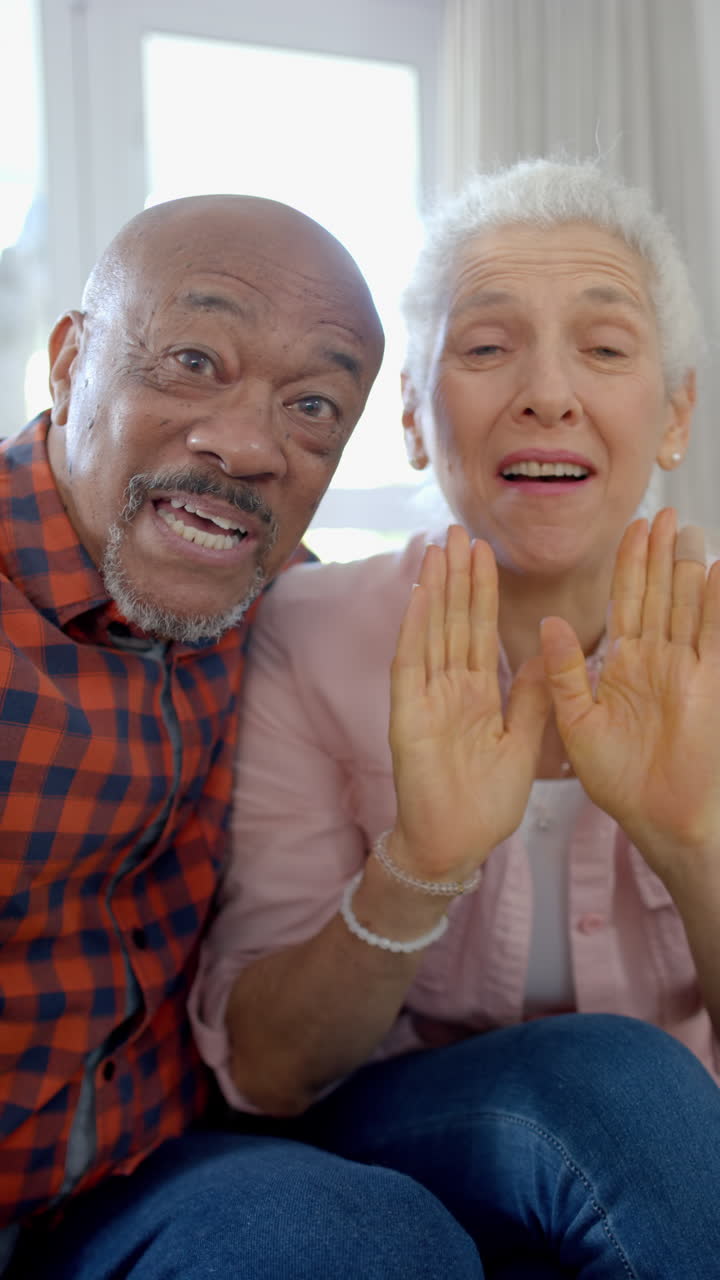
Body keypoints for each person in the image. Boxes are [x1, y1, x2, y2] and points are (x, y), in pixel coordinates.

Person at [192, 161, 720, 1279]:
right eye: (486, 347)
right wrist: (423, 862)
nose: (548, 393)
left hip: (675, 1155)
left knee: (635, 1086)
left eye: (605, 347)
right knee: (613, 1078)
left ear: (675, 412)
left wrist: (692, 844)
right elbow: (270, 1071)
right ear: (413, 418)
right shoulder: (309, 629)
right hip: (395, 1125)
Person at [0, 194, 487, 1279]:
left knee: (372, 1239)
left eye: (313, 406)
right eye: (192, 361)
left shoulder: (285, 610)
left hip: (149, 1176)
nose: (250, 444)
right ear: (71, 362)